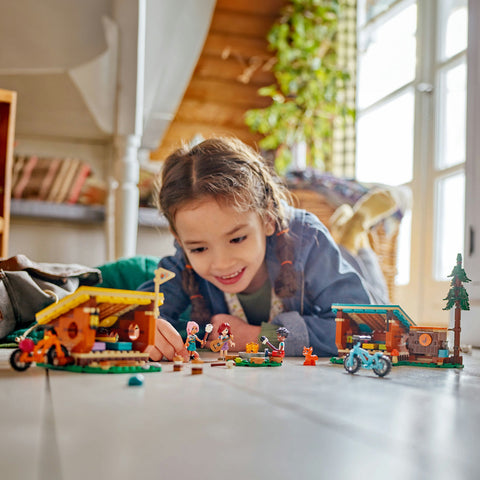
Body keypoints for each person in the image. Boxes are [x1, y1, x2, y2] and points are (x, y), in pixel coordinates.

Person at [139, 136, 390, 360]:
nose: (222, 263)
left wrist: (258, 336)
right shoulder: (181, 265)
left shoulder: (307, 237)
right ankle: (349, 234)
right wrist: (149, 331)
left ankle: (356, 232)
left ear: (268, 218)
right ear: (179, 239)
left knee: (371, 282)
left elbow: (364, 325)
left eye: (237, 239)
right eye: (199, 249)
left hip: (351, 276)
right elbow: (139, 314)